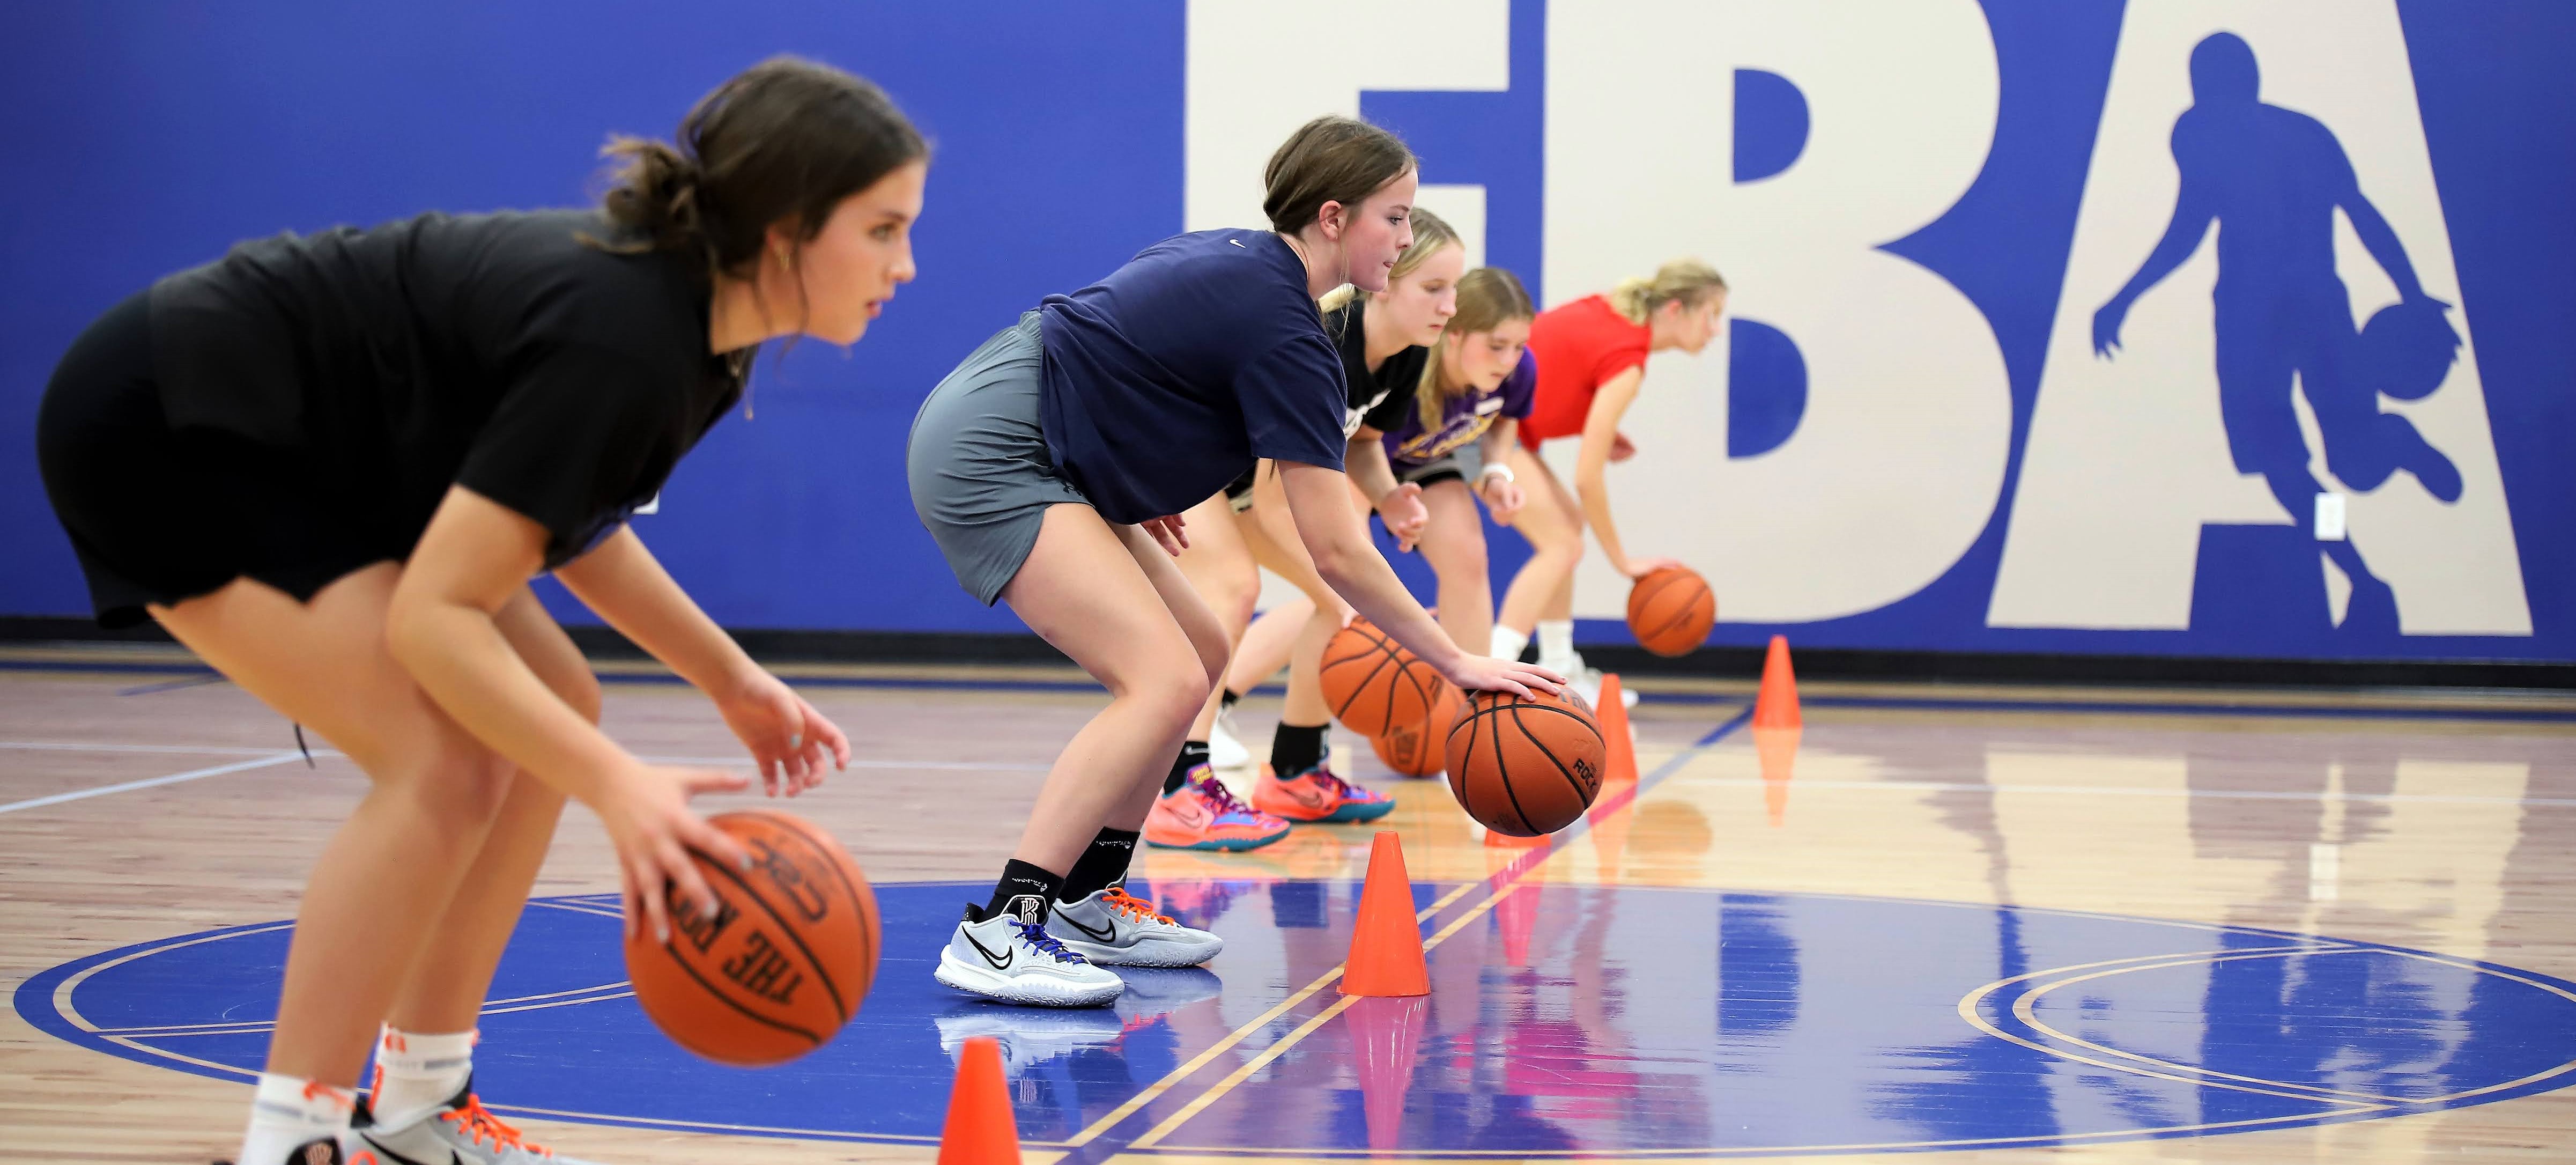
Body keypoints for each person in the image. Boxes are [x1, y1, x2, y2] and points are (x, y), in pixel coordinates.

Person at [35, 57, 917, 1165]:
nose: (906, 264)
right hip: (176, 423)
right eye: (883, 230)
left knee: (553, 704)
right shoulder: (627, 336)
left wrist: (727, 677)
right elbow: (435, 620)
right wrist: (619, 787)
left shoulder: (702, 340)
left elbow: (568, 524)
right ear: (788, 230)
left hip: (315, 454)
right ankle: (294, 1141)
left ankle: (415, 1108)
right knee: (446, 762)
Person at [906, 116, 1558, 1007]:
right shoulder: (1286, 326)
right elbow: (1335, 546)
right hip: (1000, 445)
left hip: (1054, 440)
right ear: (1333, 217)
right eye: (1395, 218)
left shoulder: (1248, 262)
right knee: (1162, 678)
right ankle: (1001, 926)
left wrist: (1128, 473)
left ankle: (1089, 899)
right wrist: (1453, 658)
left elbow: (1119, 341)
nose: (1405, 241)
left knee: (1203, 649)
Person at [2091, 31, 2461, 635]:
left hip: (2255, 319)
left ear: (2204, 85)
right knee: (2341, 464)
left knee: (2293, 471)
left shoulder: (2200, 130)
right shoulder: (2308, 134)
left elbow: (2189, 227)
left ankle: (2367, 564)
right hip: (2307, 310)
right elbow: (2362, 216)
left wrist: (2124, 297)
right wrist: (2412, 293)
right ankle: (2382, 492)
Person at [1155, 210, 1465, 837]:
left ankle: (1295, 771)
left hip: (1242, 478)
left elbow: (1362, 441)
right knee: (1239, 588)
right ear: (1386, 283)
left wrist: (1390, 495)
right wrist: (1344, 590)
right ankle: (1177, 789)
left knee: (1335, 609)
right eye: (1434, 288)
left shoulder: (1405, 355)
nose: (1450, 306)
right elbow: (1275, 504)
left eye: (1455, 289)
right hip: (1180, 460)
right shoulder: (1322, 344)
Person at [1495, 260, 1727, 705]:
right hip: (1483, 424)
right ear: (1676, 310)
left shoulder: (1613, 314)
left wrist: (1589, 421)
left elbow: (1557, 362)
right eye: (1710, 315)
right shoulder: (1629, 362)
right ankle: (1492, 666)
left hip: (1499, 419)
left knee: (1566, 531)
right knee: (1562, 543)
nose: (1715, 330)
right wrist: (1623, 561)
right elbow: (1587, 477)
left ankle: (1558, 666)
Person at [1364, 265, 1540, 659]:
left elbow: (1497, 421)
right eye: (1497, 346)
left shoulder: (1518, 371)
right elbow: (1360, 451)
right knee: (1340, 588)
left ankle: (1471, 698)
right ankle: (1234, 700)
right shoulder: (1408, 373)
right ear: (1454, 333)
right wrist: (1388, 499)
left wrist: (1495, 473)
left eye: (1519, 345)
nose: (1510, 359)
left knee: (1468, 554)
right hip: (1354, 461)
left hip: (1417, 462)